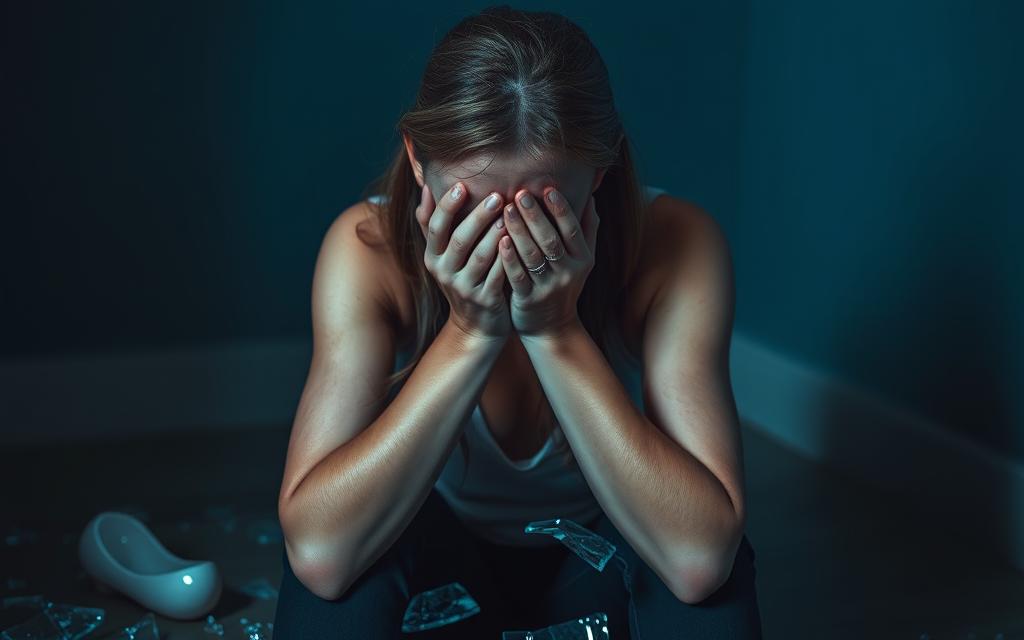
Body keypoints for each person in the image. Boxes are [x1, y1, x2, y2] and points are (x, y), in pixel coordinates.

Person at [272, 6, 763, 638]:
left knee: (710, 589)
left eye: (543, 212)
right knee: (337, 575)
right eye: (472, 212)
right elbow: (320, 557)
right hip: (439, 560)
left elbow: (700, 560)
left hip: (598, 555)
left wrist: (555, 331)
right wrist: (469, 333)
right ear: (418, 161)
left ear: (601, 175)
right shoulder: (367, 250)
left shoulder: (678, 244)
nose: (507, 246)